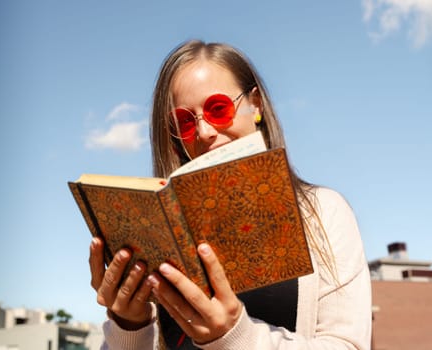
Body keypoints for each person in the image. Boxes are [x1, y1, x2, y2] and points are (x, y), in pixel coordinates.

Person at [89, 40, 372, 349]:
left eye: (218, 109)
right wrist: (129, 326)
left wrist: (234, 337)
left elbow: (348, 345)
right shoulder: (165, 232)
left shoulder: (323, 212)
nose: (205, 132)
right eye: (184, 122)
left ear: (256, 105)